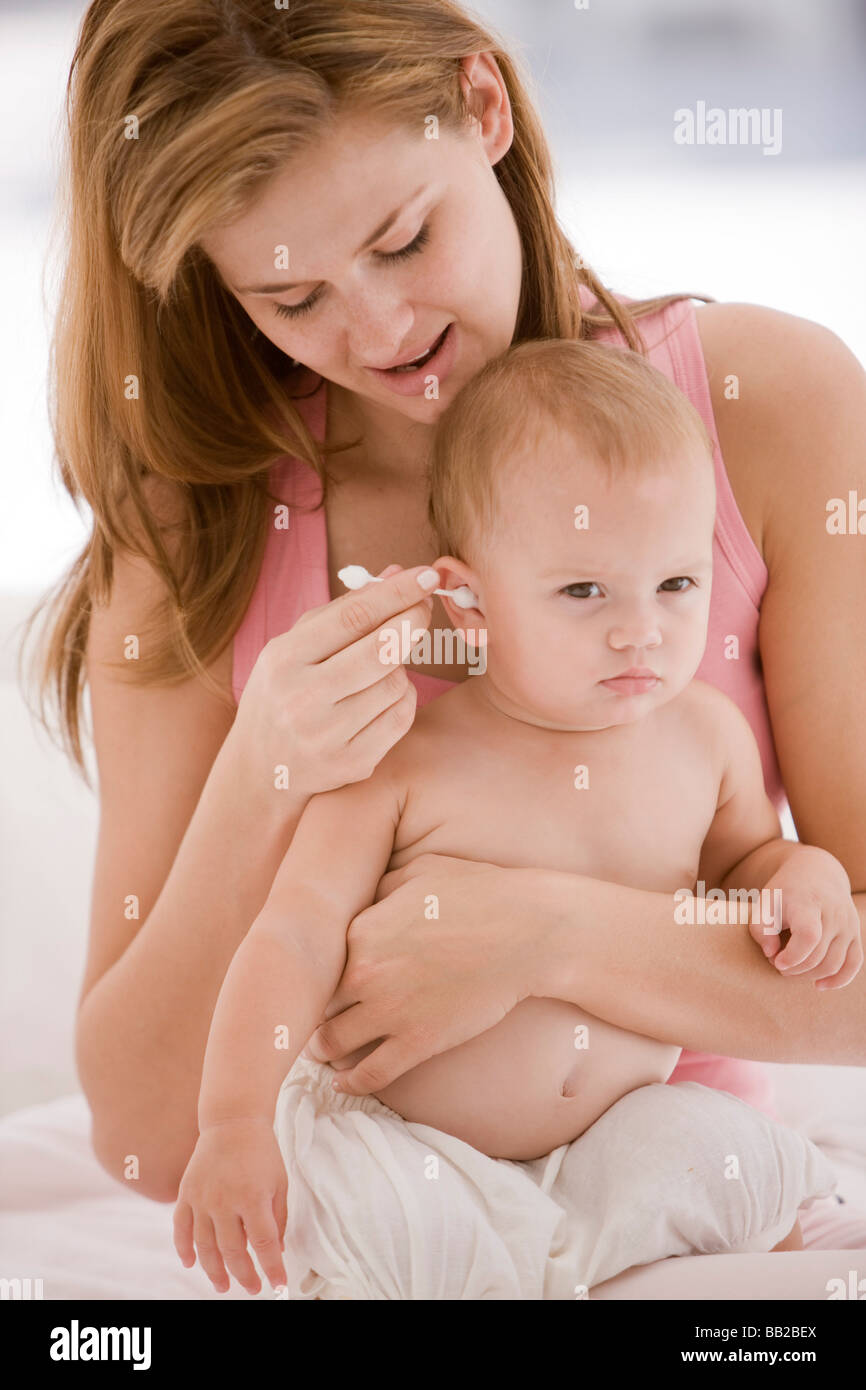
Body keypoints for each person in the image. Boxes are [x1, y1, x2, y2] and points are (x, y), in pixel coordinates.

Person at [22, 0, 866, 1297]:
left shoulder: (767, 409)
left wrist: (542, 935)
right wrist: (265, 766)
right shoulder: (195, 523)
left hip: (675, 1215)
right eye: (289, 295)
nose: (377, 332)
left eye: (403, 236)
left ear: (482, 106)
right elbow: (143, 1133)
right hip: (389, 1205)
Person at [173, 338, 852, 1297]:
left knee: (734, 1156)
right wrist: (234, 1124)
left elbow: (748, 866)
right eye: (584, 591)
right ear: (472, 603)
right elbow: (290, 937)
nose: (641, 629)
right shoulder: (401, 760)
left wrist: (804, 879)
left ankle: (611, 1261)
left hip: (614, 1138)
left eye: (677, 583)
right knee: (370, 1212)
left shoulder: (704, 740)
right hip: (416, 1141)